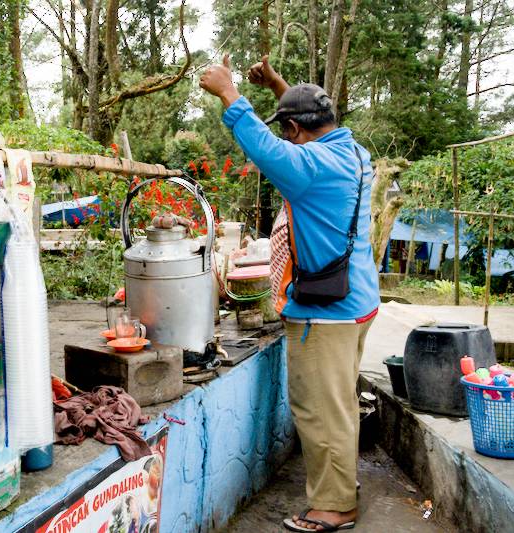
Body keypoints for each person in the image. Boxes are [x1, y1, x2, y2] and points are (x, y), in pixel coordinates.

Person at [199, 55, 379, 532]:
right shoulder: (353, 153)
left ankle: (334, 506)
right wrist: (280, 86)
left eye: (289, 129)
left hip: (326, 313)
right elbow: (302, 130)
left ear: (297, 130)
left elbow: (264, 147)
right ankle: (341, 486)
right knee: (339, 403)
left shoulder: (309, 167)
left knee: (320, 411)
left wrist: (229, 92)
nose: (286, 137)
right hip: (357, 301)